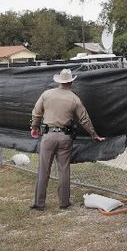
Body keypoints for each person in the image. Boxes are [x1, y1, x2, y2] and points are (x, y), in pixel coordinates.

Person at [30, 68, 105, 211]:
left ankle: (39, 203)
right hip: (65, 138)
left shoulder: (46, 94)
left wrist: (35, 127)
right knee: (64, 170)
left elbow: (36, 113)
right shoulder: (74, 98)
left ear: (59, 81)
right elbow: (84, 120)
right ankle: (64, 203)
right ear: (71, 82)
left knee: (43, 170)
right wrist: (94, 135)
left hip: (48, 136)